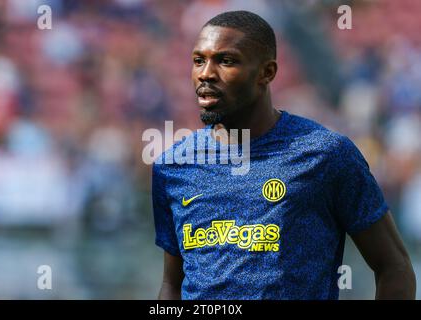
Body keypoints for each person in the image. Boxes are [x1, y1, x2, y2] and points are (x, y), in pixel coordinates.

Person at [152, 10, 416, 299]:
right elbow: (172, 284)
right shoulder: (173, 166)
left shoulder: (325, 155)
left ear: (267, 72)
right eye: (198, 60)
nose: (205, 73)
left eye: (226, 61)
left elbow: (394, 267)